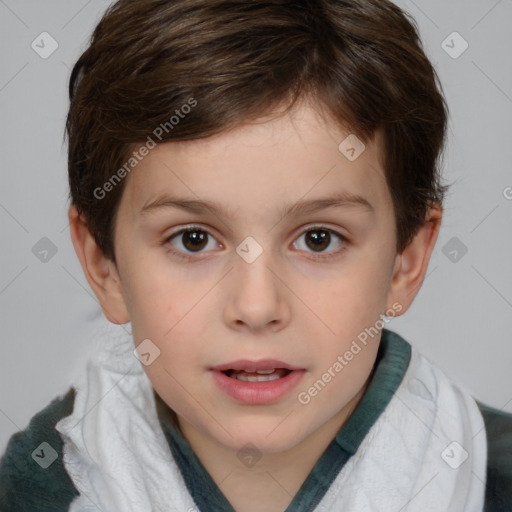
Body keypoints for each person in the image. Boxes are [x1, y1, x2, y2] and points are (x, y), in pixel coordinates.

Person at [1, 0, 511, 510]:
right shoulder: (38, 486)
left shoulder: (492, 476)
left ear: (407, 259)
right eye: (194, 239)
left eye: (318, 239)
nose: (257, 305)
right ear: (103, 266)